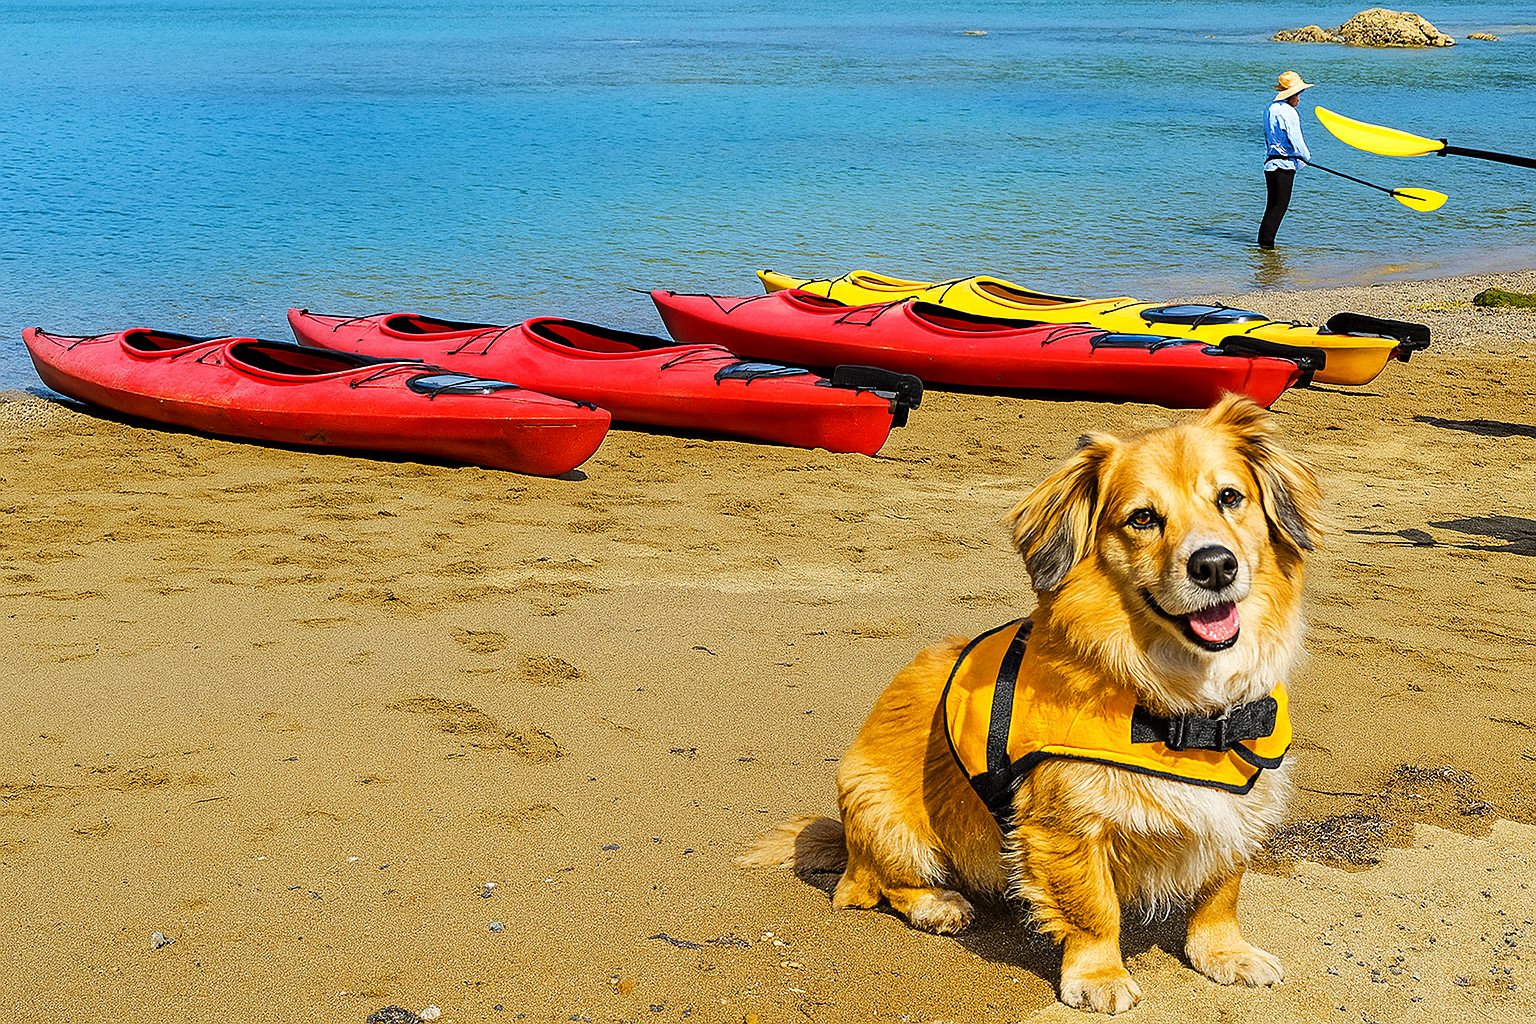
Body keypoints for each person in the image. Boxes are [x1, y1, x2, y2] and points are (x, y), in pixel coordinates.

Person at [1259, 71, 1314, 249]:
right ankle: (1267, 248)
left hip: (1270, 166)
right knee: (1278, 209)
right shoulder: (1289, 113)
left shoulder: (1270, 109)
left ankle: (1264, 252)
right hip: (1284, 166)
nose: (1299, 99)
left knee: (1272, 208)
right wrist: (1305, 159)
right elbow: (1296, 141)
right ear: (1291, 95)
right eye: (1298, 94)